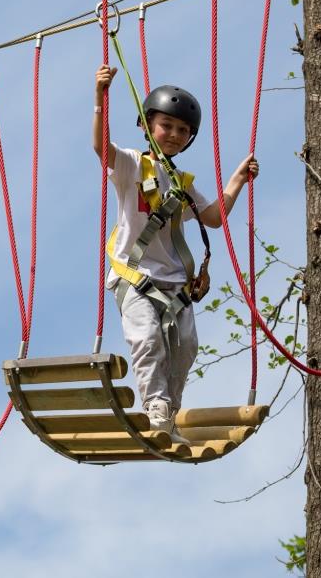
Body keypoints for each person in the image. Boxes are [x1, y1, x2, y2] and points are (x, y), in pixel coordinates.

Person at [92, 64, 259, 445]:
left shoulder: (182, 184)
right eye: (166, 125)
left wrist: (237, 180)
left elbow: (213, 218)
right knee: (148, 339)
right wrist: (100, 98)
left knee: (185, 348)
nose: (174, 135)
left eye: (183, 131)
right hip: (135, 277)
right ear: (147, 125)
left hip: (174, 283)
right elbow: (102, 148)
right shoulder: (132, 165)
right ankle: (156, 408)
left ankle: (168, 415)